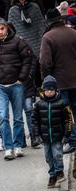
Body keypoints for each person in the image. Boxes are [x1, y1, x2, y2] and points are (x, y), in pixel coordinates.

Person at [0, 19, 34, 159]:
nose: (0, 32)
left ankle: (18, 145)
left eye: (2, 29)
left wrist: (22, 78)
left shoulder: (18, 41)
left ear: (7, 28)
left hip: (16, 85)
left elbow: (28, 59)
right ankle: (8, 147)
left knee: (18, 117)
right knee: (3, 117)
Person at [39, 9, 76, 152]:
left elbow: (45, 62)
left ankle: (72, 141)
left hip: (60, 82)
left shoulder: (48, 37)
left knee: (65, 114)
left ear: (48, 21)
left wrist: (46, 80)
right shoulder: (73, 33)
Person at [33, 76, 72, 188]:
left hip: (57, 136)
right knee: (48, 157)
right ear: (43, 90)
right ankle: (52, 175)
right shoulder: (39, 104)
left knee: (57, 155)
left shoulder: (62, 103)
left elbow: (68, 120)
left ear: (56, 90)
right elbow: (34, 121)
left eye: (51, 89)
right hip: (45, 137)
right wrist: (37, 135)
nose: (49, 92)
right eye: (47, 90)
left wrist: (66, 135)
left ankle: (59, 172)